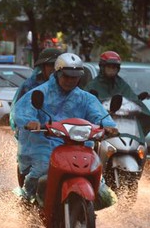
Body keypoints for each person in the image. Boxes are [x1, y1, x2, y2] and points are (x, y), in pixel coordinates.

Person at [13, 52, 118, 202]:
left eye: (74, 77)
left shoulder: (85, 98)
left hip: (78, 144)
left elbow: (99, 114)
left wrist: (108, 126)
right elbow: (24, 111)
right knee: (41, 170)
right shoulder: (39, 92)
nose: (70, 81)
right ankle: (28, 197)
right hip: (44, 143)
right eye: (66, 76)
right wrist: (30, 121)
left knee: (101, 188)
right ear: (57, 73)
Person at [83, 50, 150, 135]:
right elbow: (86, 104)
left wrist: (136, 102)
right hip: (100, 126)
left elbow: (131, 97)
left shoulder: (121, 84)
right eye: (109, 67)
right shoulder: (93, 85)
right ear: (102, 67)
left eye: (114, 67)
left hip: (124, 123)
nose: (112, 70)